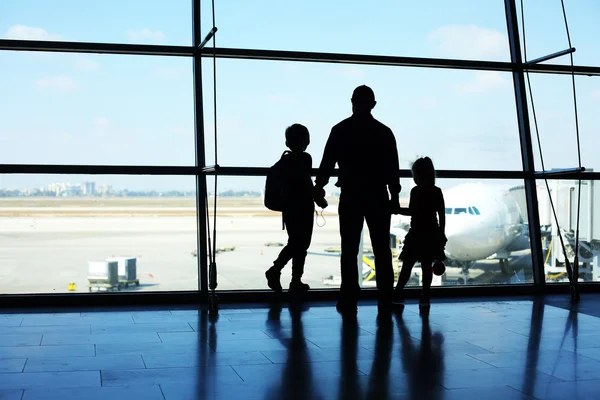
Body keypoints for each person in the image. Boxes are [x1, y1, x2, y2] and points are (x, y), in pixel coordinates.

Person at [314, 85, 401, 314]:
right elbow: (393, 168)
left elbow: (327, 163)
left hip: (351, 194)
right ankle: (385, 298)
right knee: (382, 250)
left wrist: (318, 186)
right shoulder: (384, 132)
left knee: (349, 248)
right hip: (377, 194)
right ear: (373, 104)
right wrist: (395, 195)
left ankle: (349, 297)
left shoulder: (340, 130)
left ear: (351, 101)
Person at [265, 124, 327, 294]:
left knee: (295, 243)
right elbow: (306, 183)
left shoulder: (283, 162)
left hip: (290, 208)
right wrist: (319, 198)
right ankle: (286, 276)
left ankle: (283, 274)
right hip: (303, 207)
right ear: (306, 141)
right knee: (301, 245)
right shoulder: (305, 159)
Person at [394, 156, 447, 307]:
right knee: (426, 267)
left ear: (417, 175)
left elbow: (412, 211)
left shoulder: (415, 191)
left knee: (407, 266)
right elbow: (441, 215)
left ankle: (397, 292)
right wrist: (441, 234)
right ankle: (425, 296)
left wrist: (397, 210)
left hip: (416, 233)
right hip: (431, 233)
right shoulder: (437, 192)